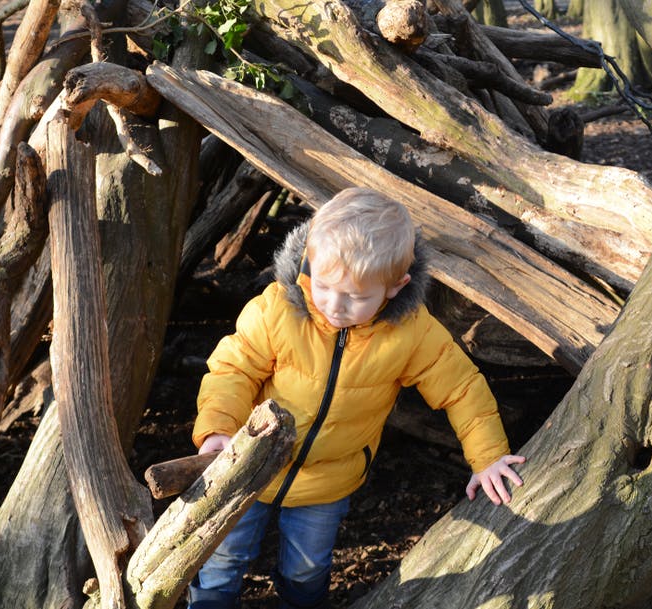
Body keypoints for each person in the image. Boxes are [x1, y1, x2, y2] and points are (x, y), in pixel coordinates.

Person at [188, 187, 525, 609]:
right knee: (222, 558)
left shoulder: (410, 332)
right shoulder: (278, 310)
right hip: (246, 465)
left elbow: (461, 388)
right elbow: (233, 369)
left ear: (394, 287)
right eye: (325, 285)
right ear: (309, 259)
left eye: (356, 297)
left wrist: (488, 456)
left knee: (307, 569)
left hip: (329, 480)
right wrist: (219, 429)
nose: (334, 305)